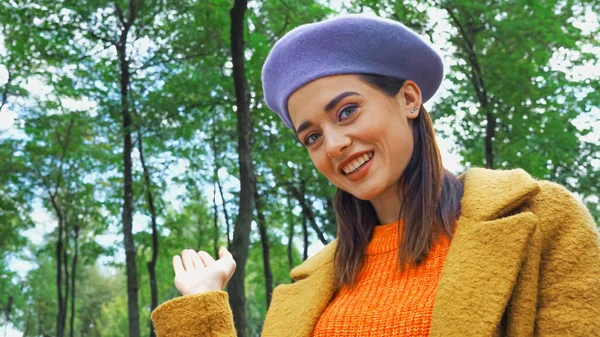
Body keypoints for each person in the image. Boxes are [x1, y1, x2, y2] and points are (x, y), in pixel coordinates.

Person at [150, 15, 600, 336]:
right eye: (311, 137)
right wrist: (201, 306)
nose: (333, 144)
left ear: (408, 99)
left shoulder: (541, 218)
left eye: (347, 111)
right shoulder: (311, 284)